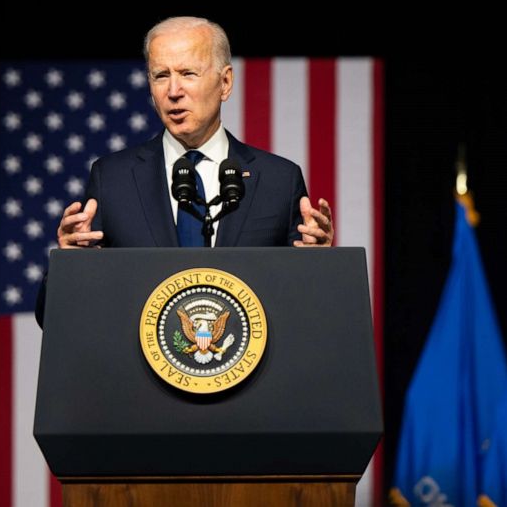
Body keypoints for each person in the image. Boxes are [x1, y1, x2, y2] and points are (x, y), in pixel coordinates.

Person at [37, 16, 333, 323]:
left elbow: (310, 314)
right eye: (161, 76)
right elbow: (56, 318)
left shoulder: (278, 181)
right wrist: (68, 266)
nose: (173, 91)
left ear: (225, 82)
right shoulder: (112, 179)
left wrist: (321, 264)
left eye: (188, 73)